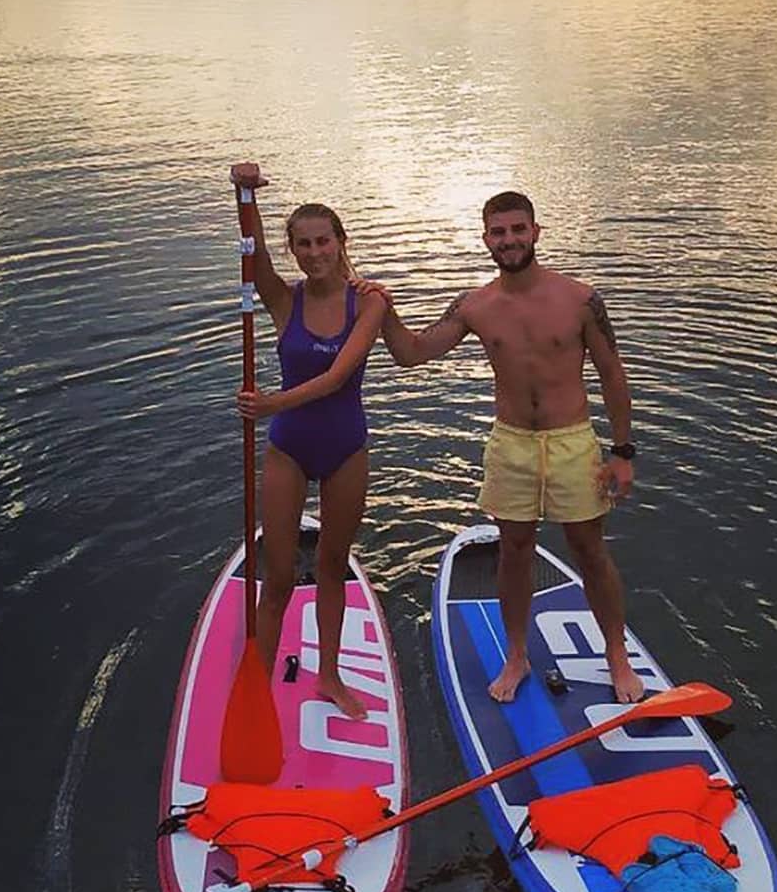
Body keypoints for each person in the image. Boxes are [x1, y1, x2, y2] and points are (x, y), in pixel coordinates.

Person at [378, 191, 645, 704]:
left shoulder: (579, 299)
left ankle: (615, 653)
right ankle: (517, 654)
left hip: (572, 442)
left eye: (518, 230)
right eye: (498, 233)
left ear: (536, 232)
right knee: (514, 551)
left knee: (590, 550)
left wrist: (623, 452)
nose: (509, 241)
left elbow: (613, 374)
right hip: (512, 444)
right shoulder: (476, 305)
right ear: (485, 239)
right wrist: (381, 308)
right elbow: (413, 353)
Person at [231, 162, 386, 720]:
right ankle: (259, 693)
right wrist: (245, 194)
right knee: (275, 578)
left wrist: (273, 402)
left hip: (345, 448)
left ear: (342, 242)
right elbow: (254, 259)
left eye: (324, 241)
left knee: (332, 564)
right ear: (293, 250)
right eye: (303, 244)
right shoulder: (283, 300)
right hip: (289, 449)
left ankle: (329, 676)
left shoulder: (369, 301)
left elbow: (340, 376)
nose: (315, 252)